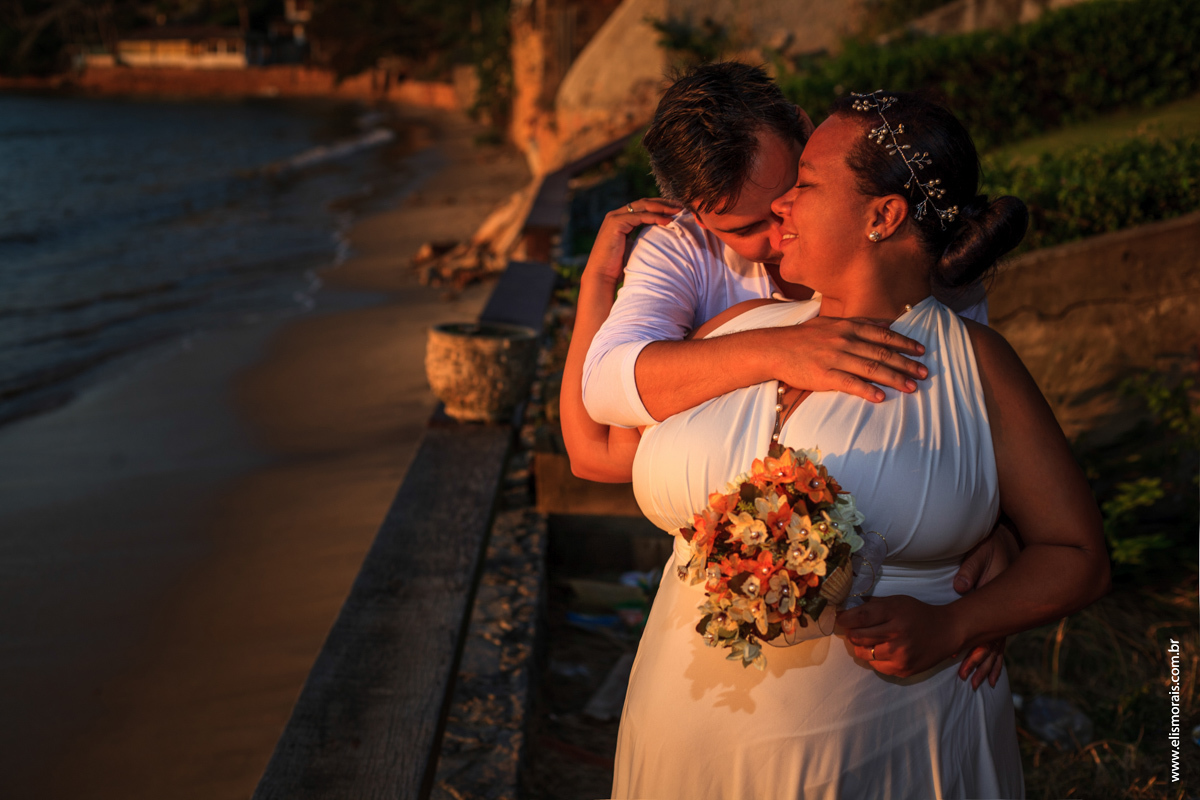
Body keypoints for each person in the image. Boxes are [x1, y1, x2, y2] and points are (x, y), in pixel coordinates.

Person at [603, 90, 1110, 798]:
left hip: (878, 749)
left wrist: (957, 622)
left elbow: (1078, 555)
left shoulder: (972, 365)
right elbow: (599, 428)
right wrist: (603, 277)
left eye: (804, 186)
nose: (780, 204)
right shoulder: (742, 329)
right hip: (679, 740)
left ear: (883, 215)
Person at [559, 61, 1015, 687]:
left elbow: (972, 428)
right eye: (744, 228)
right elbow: (604, 407)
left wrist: (1007, 541)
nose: (779, 231)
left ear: (806, 133)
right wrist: (778, 348)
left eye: (790, 190)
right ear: (694, 214)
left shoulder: (917, 265)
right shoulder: (685, 250)